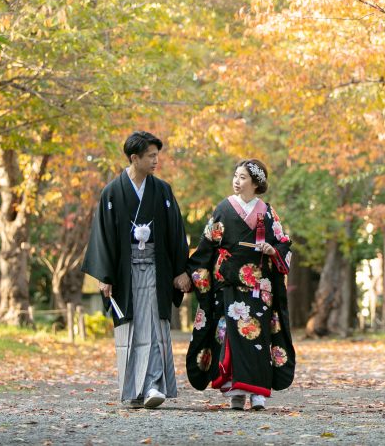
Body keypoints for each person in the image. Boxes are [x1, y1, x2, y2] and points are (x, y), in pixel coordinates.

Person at [81, 131, 191, 408]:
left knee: (154, 325)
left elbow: (177, 232)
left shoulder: (162, 190)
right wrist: (104, 276)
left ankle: (154, 386)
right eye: (151, 156)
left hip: (157, 268)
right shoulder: (112, 192)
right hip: (125, 273)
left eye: (157, 155)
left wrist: (181, 270)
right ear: (134, 158)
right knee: (131, 328)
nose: (156, 160)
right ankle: (134, 391)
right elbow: (102, 236)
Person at [185, 159, 295, 410]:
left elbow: (283, 242)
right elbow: (206, 246)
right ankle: (235, 390)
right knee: (230, 337)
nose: (236, 181)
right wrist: (193, 273)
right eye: (235, 176)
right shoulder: (223, 208)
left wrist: (271, 250)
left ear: (256, 183)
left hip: (258, 287)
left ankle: (258, 394)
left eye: (243, 177)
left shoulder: (267, 212)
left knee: (258, 338)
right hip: (228, 284)